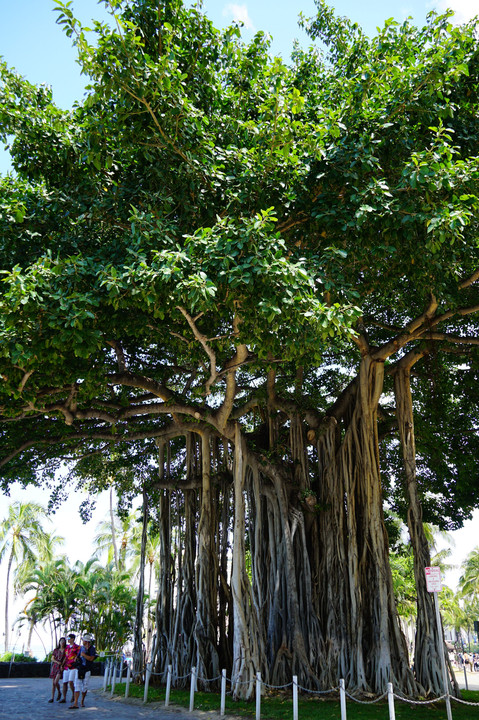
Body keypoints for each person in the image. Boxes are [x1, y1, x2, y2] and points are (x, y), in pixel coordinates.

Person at [69, 633, 98, 709]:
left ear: (87, 641)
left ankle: (82, 701)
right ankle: (75, 703)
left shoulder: (92, 649)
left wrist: (84, 655)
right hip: (80, 668)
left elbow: (91, 658)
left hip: (87, 669)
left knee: (85, 686)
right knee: (77, 685)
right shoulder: (81, 648)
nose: (83, 641)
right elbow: (78, 657)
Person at [60, 632, 80, 704]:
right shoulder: (67, 648)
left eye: (69, 638)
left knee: (70, 681)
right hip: (66, 666)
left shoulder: (77, 647)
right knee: (65, 682)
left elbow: (79, 656)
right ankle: (64, 697)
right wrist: (62, 665)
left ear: (73, 639)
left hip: (73, 666)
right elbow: (65, 656)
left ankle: (73, 694)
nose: (68, 640)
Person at [48, 636, 66, 702]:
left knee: (56, 681)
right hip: (55, 666)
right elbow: (52, 658)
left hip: (60, 667)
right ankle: (52, 697)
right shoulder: (56, 650)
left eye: (63, 642)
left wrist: (61, 665)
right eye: (61, 641)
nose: (62, 643)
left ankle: (59, 692)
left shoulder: (65, 650)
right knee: (53, 683)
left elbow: (65, 658)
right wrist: (57, 662)